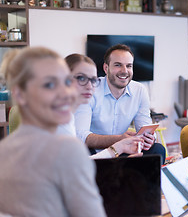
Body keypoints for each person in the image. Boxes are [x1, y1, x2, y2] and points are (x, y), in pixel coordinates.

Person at [0, 47, 106, 216]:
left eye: (66, 82)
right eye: (49, 85)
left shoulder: (4, 149)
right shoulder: (67, 149)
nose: (65, 93)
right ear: (20, 94)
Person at [75, 44, 166, 163]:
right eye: (118, 65)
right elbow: (81, 136)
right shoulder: (90, 89)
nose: (124, 71)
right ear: (106, 68)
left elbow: (144, 128)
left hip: (123, 152)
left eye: (129, 66)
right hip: (94, 155)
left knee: (158, 150)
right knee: (81, 150)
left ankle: (133, 178)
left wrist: (149, 138)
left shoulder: (139, 90)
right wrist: (119, 140)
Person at [60, 53, 144, 159]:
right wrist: (119, 149)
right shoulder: (57, 122)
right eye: (81, 78)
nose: (89, 86)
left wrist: (120, 149)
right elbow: (75, 167)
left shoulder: (68, 118)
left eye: (93, 80)